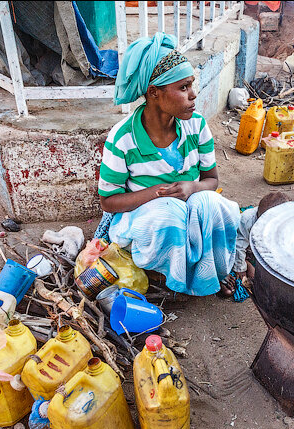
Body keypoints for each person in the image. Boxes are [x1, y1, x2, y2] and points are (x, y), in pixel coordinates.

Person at [93, 33, 240, 297]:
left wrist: (192, 187)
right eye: (183, 88)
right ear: (154, 93)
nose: (193, 95)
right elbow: (108, 202)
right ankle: (164, 276)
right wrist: (157, 193)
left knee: (211, 203)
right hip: (145, 217)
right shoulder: (122, 138)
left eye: (192, 85)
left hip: (190, 207)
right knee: (169, 212)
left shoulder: (197, 125)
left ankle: (213, 273)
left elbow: (212, 180)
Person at [217, 191, 292, 301]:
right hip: (242, 244)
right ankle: (246, 264)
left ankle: (249, 264)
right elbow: (239, 246)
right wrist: (241, 269)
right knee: (248, 271)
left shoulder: (285, 225)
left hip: (257, 246)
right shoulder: (248, 221)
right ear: (258, 214)